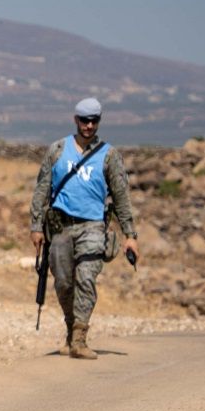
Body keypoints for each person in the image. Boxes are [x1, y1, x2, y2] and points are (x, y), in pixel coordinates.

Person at [29, 97, 139, 359]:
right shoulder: (57, 150)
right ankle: (71, 327)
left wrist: (130, 235)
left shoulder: (109, 155)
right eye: (84, 121)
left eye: (94, 121)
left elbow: (121, 197)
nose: (89, 126)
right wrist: (36, 226)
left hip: (93, 227)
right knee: (63, 283)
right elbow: (41, 189)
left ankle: (79, 338)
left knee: (86, 278)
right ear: (76, 120)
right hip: (61, 228)